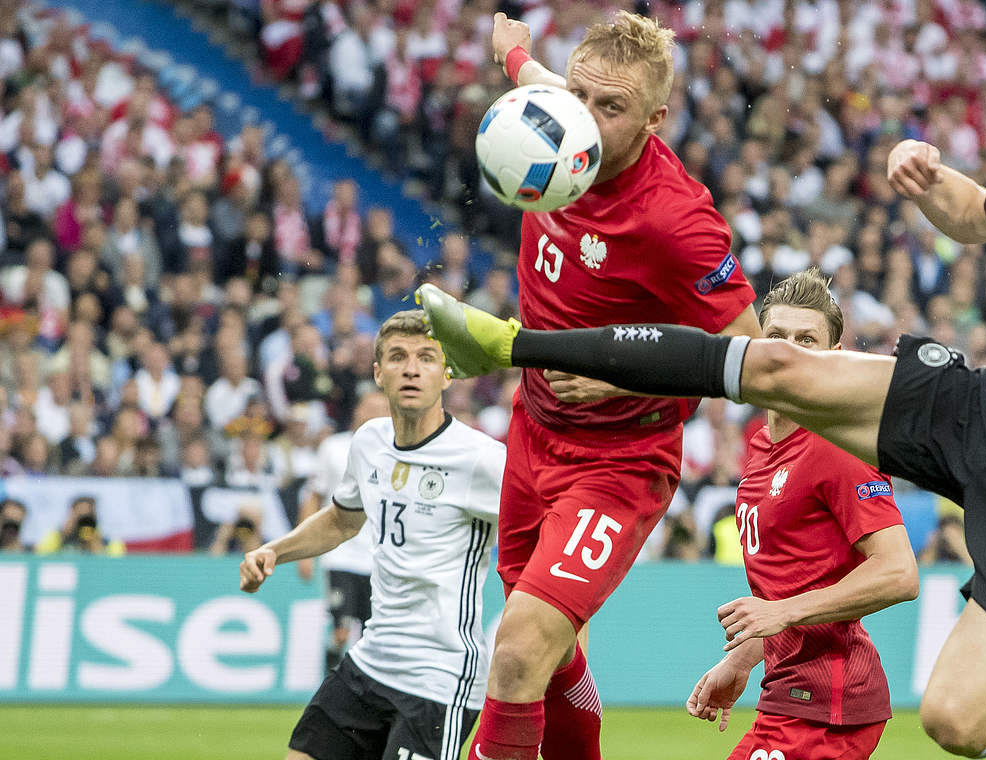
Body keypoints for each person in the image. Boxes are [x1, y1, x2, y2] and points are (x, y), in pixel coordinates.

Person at [418, 35, 986, 756]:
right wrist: (927, 180)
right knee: (773, 366)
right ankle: (511, 345)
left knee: (958, 724)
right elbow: (977, 215)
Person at [423, 11, 761, 760]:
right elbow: (532, 73)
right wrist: (509, 46)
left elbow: (753, 358)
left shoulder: (676, 221)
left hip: (620, 461)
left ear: (654, 119)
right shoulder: (561, 121)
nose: (586, 116)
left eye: (612, 108)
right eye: (581, 96)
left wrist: (617, 377)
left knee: (513, 654)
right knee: (543, 651)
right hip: (532, 434)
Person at [239, 311, 505, 760]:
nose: (412, 368)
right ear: (379, 373)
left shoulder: (482, 459)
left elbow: (541, 528)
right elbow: (343, 521)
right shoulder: (369, 442)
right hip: (372, 660)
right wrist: (275, 550)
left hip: (440, 677)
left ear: (447, 374)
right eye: (398, 357)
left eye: (426, 357)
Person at [685, 270, 918, 760]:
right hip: (789, 695)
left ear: (833, 357)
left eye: (806, 340)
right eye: (776, 338)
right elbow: (796, 578)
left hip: (828, 704)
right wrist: (746, 657)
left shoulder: (837, 447)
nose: (789, 351)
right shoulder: (761, 444)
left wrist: (781, 612)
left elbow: (899, 573)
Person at [296, 390, 390, 671]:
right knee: (340, 630)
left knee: (372, 636)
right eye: (369, 407)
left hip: (379, 558)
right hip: (340, 554)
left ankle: (362, 695)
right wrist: (304, 552)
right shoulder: (334, 448)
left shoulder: (396, 451)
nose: (374, 414)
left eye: (381, 408)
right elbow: (313, 495)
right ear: (357, 411)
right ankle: (329, 685)